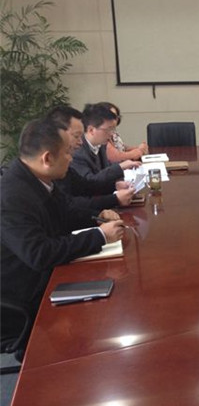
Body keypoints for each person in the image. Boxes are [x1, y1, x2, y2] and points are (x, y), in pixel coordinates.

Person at [1, 119, 124, 330]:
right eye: (67, 152)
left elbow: (67, 211)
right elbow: (39, 254)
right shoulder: (11, 197)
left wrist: (98, 216)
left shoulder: (36, 178)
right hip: (27, 297)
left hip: (50, 274)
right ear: (47, 158)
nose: (71, 158)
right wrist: (100, 236)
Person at [47, 106, 135, 209]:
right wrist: (114, 199)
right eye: (76, 136)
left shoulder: (100, 145)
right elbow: (69, 205)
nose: (80, 141)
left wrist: (115, 186)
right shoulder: (75, 154)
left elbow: (86, 185)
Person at [71, 103, 140, 186]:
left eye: (113, 129)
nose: (112, 134)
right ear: (91, 130)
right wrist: (120, 167)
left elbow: (106, 172)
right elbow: (90, 182)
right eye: (109, 129)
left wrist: (116, 184)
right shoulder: (77, 153)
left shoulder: (101, 144)